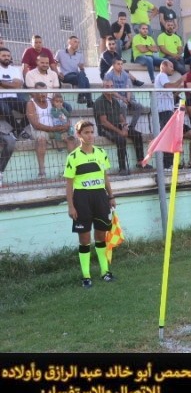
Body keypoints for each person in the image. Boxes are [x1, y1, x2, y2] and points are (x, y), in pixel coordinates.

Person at [64, 120, 116, 288]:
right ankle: (86, 275)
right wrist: (71, 206)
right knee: (85, 238)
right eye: (86, 132)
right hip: (82, 199)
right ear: (79, 135)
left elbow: (105, 177)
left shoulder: (101, 153)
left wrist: (111, 196)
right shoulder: (73, 157)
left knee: (101, 236)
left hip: (100, 197)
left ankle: (104, 271)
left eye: (92, 132)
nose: (90, 135)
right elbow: (69, 184)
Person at [94, 79, 148, 174]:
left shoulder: (115, 101)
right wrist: (120, 132)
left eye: (111, 86)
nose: (110, 89)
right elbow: (104, 122)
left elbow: (121, 118)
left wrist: (124, 127)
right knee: (121, 139)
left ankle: (141, 162)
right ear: (102, 88)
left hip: (117, 126)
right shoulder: (99, 101)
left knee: (137, 135)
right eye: (107, 87)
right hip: (105, 129)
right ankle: (122, 168)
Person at [25, 82, 70, 177]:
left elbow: (64, 113)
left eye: (45, 92)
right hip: (41, 131)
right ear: (35, 92)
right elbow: (35, 124)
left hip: (57, 129)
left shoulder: (52, 101)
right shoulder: (30, 103)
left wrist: (67, 124)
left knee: (72, 139)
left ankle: (74, 168)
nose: (43, 94)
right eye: (40, 92)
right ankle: (42, 172)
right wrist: (52, 129)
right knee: (41, 139)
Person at [155, 60, 185, 168]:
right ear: (164, 66)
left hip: (167, 110)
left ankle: (171, 163)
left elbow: (170, 94)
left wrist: (179, 88)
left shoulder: (164, 78)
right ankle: (167, 164)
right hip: (164, 111)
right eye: (171, 66)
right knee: (168, 137)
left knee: (170, 136)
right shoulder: (162, 76)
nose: (172, 68)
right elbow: (168, 87)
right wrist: (181, 79)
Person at [104, 58, 145, 133]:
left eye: (121, 64)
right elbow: (111, 91)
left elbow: (128, 87)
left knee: (139, 106)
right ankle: (124, 126)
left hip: (125, 98)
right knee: (123, 105)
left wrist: (128, 99)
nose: (120, 66)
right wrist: (122, 98)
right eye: (118, 64)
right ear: (113, 65)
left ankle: (132, 127)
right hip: (114, 98)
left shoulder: (125, 74)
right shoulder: (108, 75)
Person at [55, 36, 94, 107]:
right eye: (75, 41)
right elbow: (53, 64)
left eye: (78, 42)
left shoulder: (80, 55)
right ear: (69, 42)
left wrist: (82, 68)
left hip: (76, 76)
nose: (77, 44)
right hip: (66, 76)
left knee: (83, 76)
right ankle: (88, 101)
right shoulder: (60, 52)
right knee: (85, 79)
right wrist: (58, 73)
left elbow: (81, 69)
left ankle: (81, 96)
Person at [0, 47, 28, 135]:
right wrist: (12, 83)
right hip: (0, 99)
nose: (6, 57)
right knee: (6, 110)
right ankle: (20, 130)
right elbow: (14, 84)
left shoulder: (15, 69)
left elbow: (18, 85)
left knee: (32, 108)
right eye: (3, 55)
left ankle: (17, 130)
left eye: (8, 56)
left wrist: (2, 83)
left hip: (13, 98)